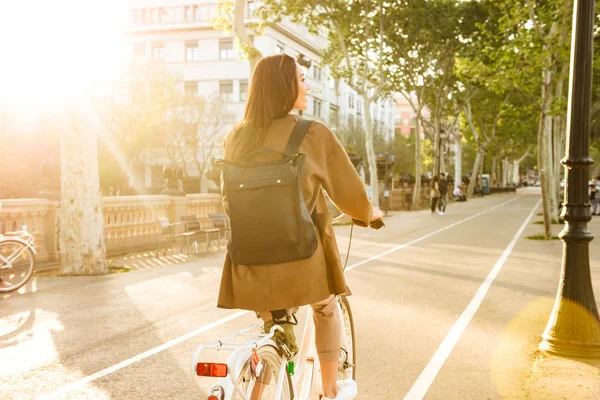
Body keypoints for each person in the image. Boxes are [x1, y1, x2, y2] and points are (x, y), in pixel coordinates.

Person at [217, 54, 383, 400]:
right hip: (301, 257)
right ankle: (330, 389)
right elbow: (347, 190)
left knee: (274, 328)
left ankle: (258, 390)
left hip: (248, 259)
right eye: (303, 78)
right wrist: (369, 214)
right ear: (285, 86)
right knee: (325, 307)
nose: (308, 85)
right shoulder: (312, 134)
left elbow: (227, 199)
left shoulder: (236, 137)